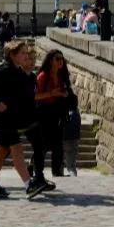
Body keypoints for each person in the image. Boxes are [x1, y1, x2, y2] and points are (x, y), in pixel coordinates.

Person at [0, 40, 49, 198]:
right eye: (23, 53)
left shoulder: (17, 71)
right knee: (16, 148)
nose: (26, 56)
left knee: (2, 150)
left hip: (11, 117)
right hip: (3, 118)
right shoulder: (4, 69)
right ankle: (28, 185)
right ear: (12, 55)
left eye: (26, 52)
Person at [35, 50, 72, 180]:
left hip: (57, 111)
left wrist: (63, 94)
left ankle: (57, 171)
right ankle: (34, 168)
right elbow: (35, 96)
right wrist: (52, 94)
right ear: (51, 60)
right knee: (44, 143)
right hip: (43, 112)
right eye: (57, 59)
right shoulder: (43, 76)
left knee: (57, 143)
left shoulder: (62, 76)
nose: (60, 61)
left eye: (62, 59)